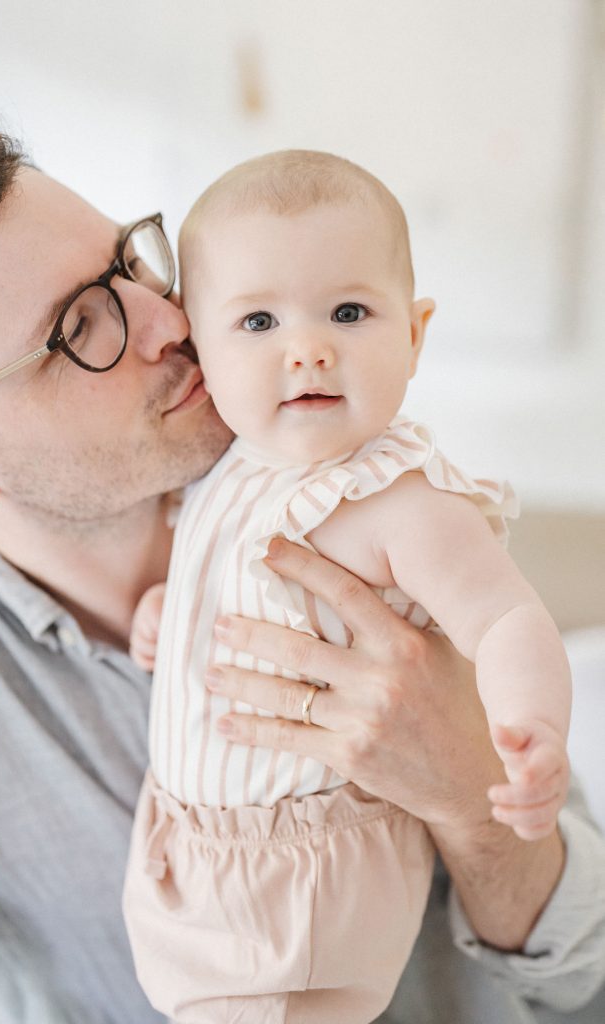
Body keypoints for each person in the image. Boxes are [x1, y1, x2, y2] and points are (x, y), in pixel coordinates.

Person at [0, 115, 602, 1024]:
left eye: (130, 263)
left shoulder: (331, 489)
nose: (172, 321)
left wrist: (472, 800)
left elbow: (580, 979)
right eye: (79, 327)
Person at [122, 151, 572, 1023]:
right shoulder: (227, 470)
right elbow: (233, 581)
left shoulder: (399, 499)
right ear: (199, 349)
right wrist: (170, 613)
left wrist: (533, 730)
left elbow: (506, 617)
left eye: (349, 312)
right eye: (258, 321)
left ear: (414, 334)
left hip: (315, 875)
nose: (308, 350)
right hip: (183, 846)